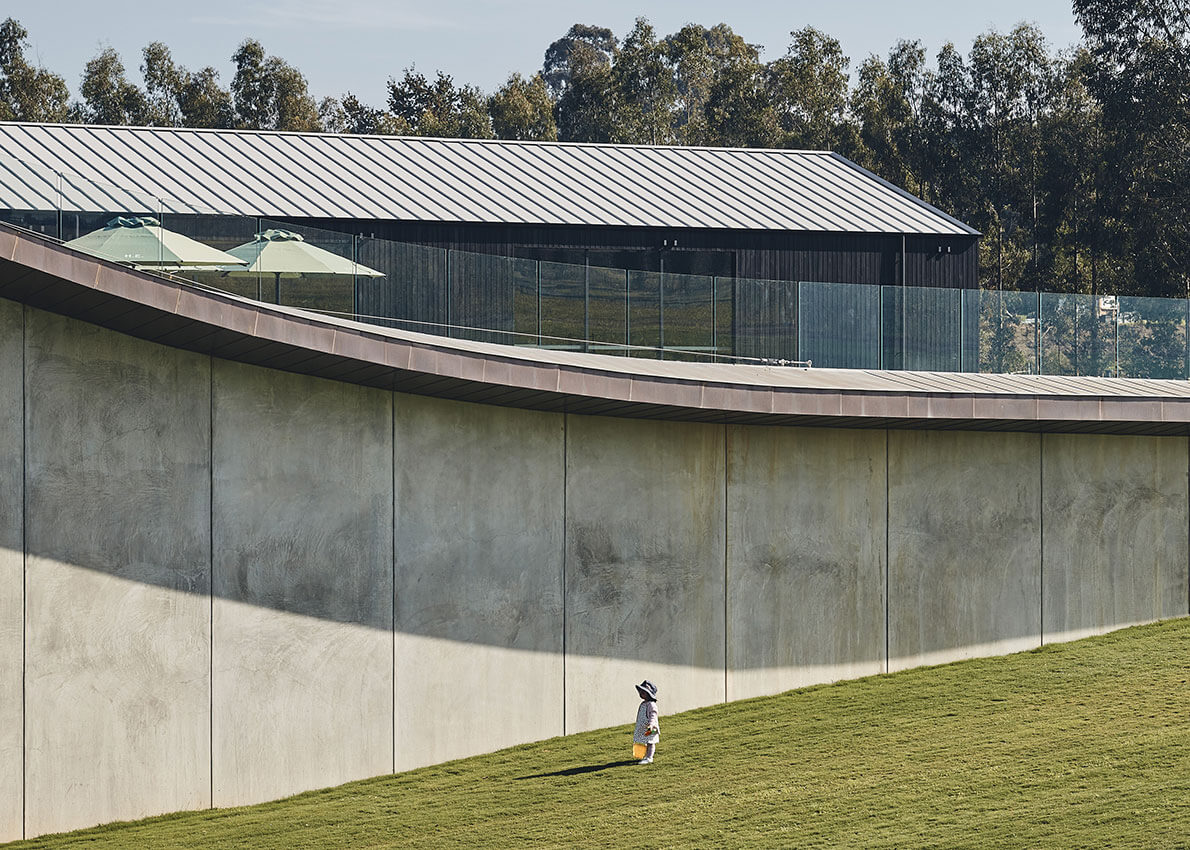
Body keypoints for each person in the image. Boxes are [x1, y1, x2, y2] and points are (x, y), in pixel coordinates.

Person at [632, 679, 660, 764]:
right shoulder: (643, 704)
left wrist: (651, 724)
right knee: (642, 741)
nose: (641, 694)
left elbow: (653, 715)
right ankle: (643, 756)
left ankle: (649, 757)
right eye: (640, 692)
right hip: (643, 727)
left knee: (650, 742)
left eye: (643, 692)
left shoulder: (651, 705)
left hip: (650, 727)